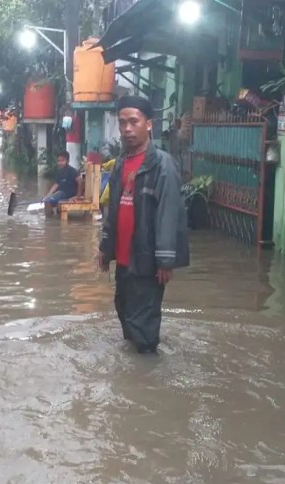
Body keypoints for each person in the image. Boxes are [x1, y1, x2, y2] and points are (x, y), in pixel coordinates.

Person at [98, 95, 190, 354]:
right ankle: (133, 372)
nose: (127, 128)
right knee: (124, 311)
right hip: (125, 259)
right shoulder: (119, 163)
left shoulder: (162, 165)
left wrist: (165, 260)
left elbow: (168, 214)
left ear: (148, 124)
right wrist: (106, 248)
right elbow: (113, 210)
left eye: (134, 122)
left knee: (144, 326)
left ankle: (147, 376)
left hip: (147, 261)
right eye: (123, 122)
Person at [42, 151, 82, 216]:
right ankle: (50, 221)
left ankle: (55, 220)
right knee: (47, 201)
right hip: (61, 194)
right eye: (58, 161)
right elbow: (56, 184)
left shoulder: (72, 171)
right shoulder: (59, 172)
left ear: (68, 161)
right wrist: (48, 195)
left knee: (53, 202)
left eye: (62, 160)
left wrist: (78, 196)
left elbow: (80, 181)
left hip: (69, 195)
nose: (60, 163)